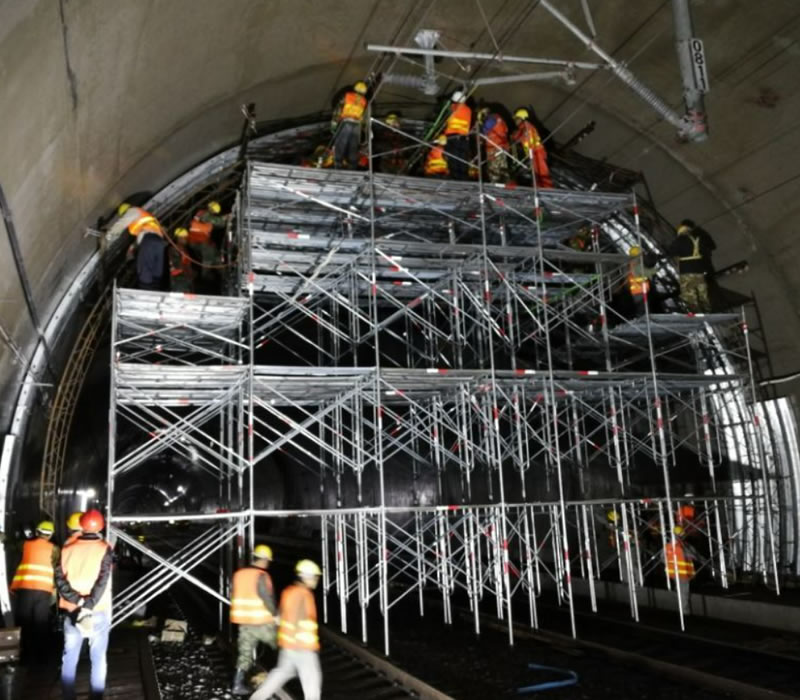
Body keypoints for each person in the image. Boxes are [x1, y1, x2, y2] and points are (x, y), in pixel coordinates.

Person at [56, 509, 114, 700]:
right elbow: (102, 580)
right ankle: (96, 696)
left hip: (72, 611)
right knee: (98, 657)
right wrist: (88, 604)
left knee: (69, 657)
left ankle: (68, 696)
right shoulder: (104, 548)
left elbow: (60, 580)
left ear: (81, 525)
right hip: (97, 610)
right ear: (101, 527)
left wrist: (78, 601)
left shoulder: (66, 549)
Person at [250, 559, 322, 700]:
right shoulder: (303, 594)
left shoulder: (289, 592)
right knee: (312, 684)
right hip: (302, 648)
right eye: (315, 577)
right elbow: (296, 619)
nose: (316, 580)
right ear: (306, 576)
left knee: (281, 673)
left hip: (288, 646)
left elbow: (281, 616)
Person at [230, 545, 277, 696]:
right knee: (282, 645)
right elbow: (266, 597)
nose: (268, 563)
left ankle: (237, 685)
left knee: (245, 654)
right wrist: (275, 615)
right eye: (267, 561)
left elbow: (235, 593)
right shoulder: (261, 575)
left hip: (244, 622)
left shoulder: (239, 574)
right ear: (263, 560)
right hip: (261, 621)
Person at [10, 520, 59, 663]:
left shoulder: (25, 545)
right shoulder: (55, 549)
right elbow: (56, 568)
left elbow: (10, 544)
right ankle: (41, 656)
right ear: (50, 535)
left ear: (37, 532)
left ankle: (25, 655)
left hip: (25, 588)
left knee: (24, 622)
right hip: (44, 590)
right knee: (41, 623)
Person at [107, 203, 167, 290]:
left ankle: (146, 290)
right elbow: (143, 233)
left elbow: (122, 223)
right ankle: (155, 289)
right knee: (156, 270)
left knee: (144, 268)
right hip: (159, 242)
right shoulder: (144, 216)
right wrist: (133, 247)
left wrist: (110, 234)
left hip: (149, 240)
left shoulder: (133, 211)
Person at [666, 219, 715, 312]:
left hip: (687, 270)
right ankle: (708, 310)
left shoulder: (681, 239)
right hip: (700, 269)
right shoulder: (699, 237)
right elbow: (711, 247)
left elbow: (671, 252)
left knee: (689, 293)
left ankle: (695, 312)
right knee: (702, 292)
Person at [511, 108, 552, 188]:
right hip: (533, 153)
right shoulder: (523, 127)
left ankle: (547, 189)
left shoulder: (527, 127)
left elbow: (525, 139)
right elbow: (518, 135)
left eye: (517, 119)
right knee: (536, 173)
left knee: (542, 173)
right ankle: (538, 187)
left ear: (521, 118)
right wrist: (514, 136)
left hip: (537, 152)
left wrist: (517, 138)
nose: (515, 121)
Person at [189, 201, 228, 285]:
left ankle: (223, 274)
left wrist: (224, 220)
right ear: (211, 209)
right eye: (214, 212)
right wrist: (223, 218)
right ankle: (205, 278)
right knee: (208, 256)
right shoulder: (203, 213)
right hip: (197, 240)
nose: (214, 213)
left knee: (216, 255)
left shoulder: (210, 217)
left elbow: (220, 224)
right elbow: (214, 220)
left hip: (202, 241)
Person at [333, 81, 368, 170]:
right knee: (353, 145)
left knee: (341, 143)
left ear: (355, 89)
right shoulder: (364, 101)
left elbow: (338, 109)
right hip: (357, 125)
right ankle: (352, 165)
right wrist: (363, 128)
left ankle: (338, 164)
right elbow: (364, 116)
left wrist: (335, 123)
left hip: (346, 122)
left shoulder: (348, 95)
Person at [665, 526, 695, 616]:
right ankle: (684, 612)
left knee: (680, 590)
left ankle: (682, 609)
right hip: (683, 573)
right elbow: (694, 555)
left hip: (674, 573)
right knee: (684, 593)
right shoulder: (685, 547)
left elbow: (663, 558)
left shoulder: (668, 546)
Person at [443, 91, 472, 181]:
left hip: (452, 137)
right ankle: (463, 179)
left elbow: (445, 113)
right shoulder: (468, 110)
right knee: (463, 159)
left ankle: (455, 179)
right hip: (464, 138)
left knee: (453, 158)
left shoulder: (453, 107)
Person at [477, 107, 509, 183]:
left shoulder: (490, 120)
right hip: (502, 146)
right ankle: (505, 184)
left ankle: (495, 185)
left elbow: (485, 131)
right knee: (503, 168)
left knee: (493, 169)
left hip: (493, 147)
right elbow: (506, 130)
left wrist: (480, 130)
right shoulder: (498, 118)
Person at [169, 227, 195, 293]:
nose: (187, 239)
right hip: (179, 281)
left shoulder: (183, 249)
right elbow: (177, 266)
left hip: (185, 280)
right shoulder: (174, 249)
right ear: (179, 238)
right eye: (185, 238)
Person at [627, 246, 651, 317]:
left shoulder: (634, 264)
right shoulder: (635, 265)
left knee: (643, 307)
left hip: (639, 290)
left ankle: (642, 318)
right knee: (643, 308)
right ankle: (642, 319)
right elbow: (638, 278)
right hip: (639, 290)